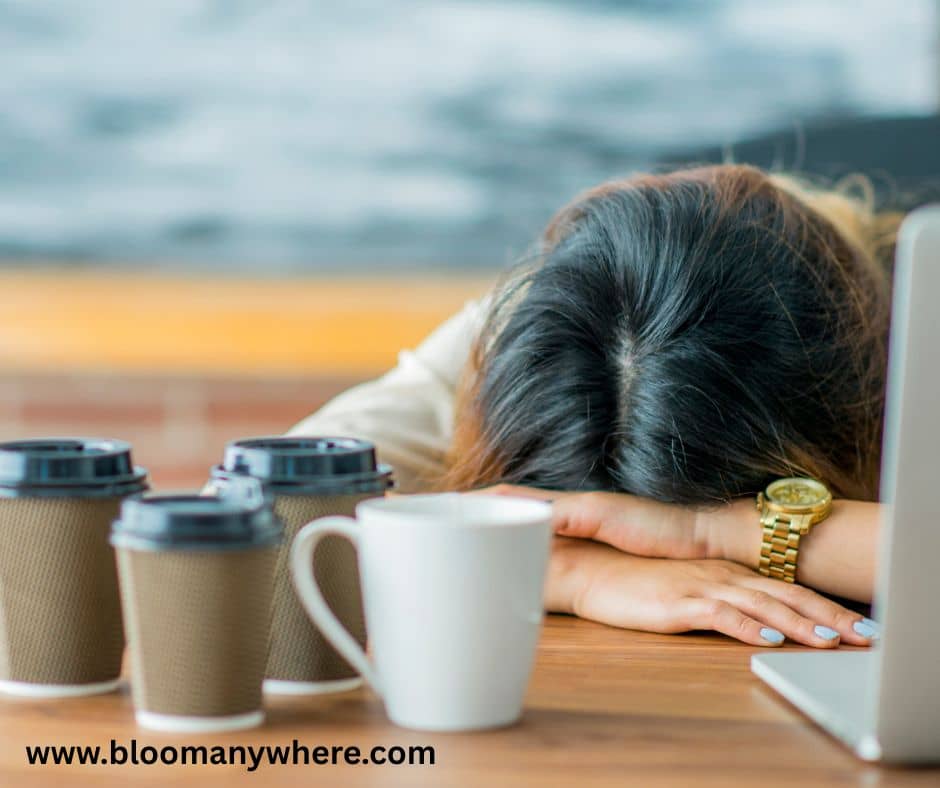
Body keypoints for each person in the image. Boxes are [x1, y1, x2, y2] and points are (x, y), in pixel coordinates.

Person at [290, 164, 900, 649]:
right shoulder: (540, 326)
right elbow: (258, 513)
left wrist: (708, 532)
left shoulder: (904, 320)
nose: (637, 554)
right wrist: (567, 572)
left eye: (628, 542)